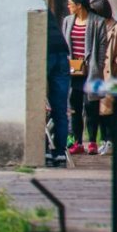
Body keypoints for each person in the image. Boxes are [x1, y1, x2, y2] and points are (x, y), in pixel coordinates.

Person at [63, 0, 107, 155]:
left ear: (79, 5)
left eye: (70, 3)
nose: (68, 6)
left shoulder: (97, 22)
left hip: (92, 69)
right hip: (73, 70)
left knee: (91, 106)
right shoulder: (68, 21)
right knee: (74, 106)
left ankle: (93, 143)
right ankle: (78, 142)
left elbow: (102, 45)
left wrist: (99, 64)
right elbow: (65, 44)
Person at [89, 0, 117, 156]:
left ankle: (112, 141)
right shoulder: (95, 27)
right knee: (100, 109)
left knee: (113, 109)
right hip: (97, 73)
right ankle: (106, 140)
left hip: (112, 74)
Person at [46, 11, 71, 167]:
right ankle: (61, 153)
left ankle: (45, 151)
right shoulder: (49, 13)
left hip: (45, 51)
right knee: (60, 109)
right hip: (62, 53)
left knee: (37, 106)